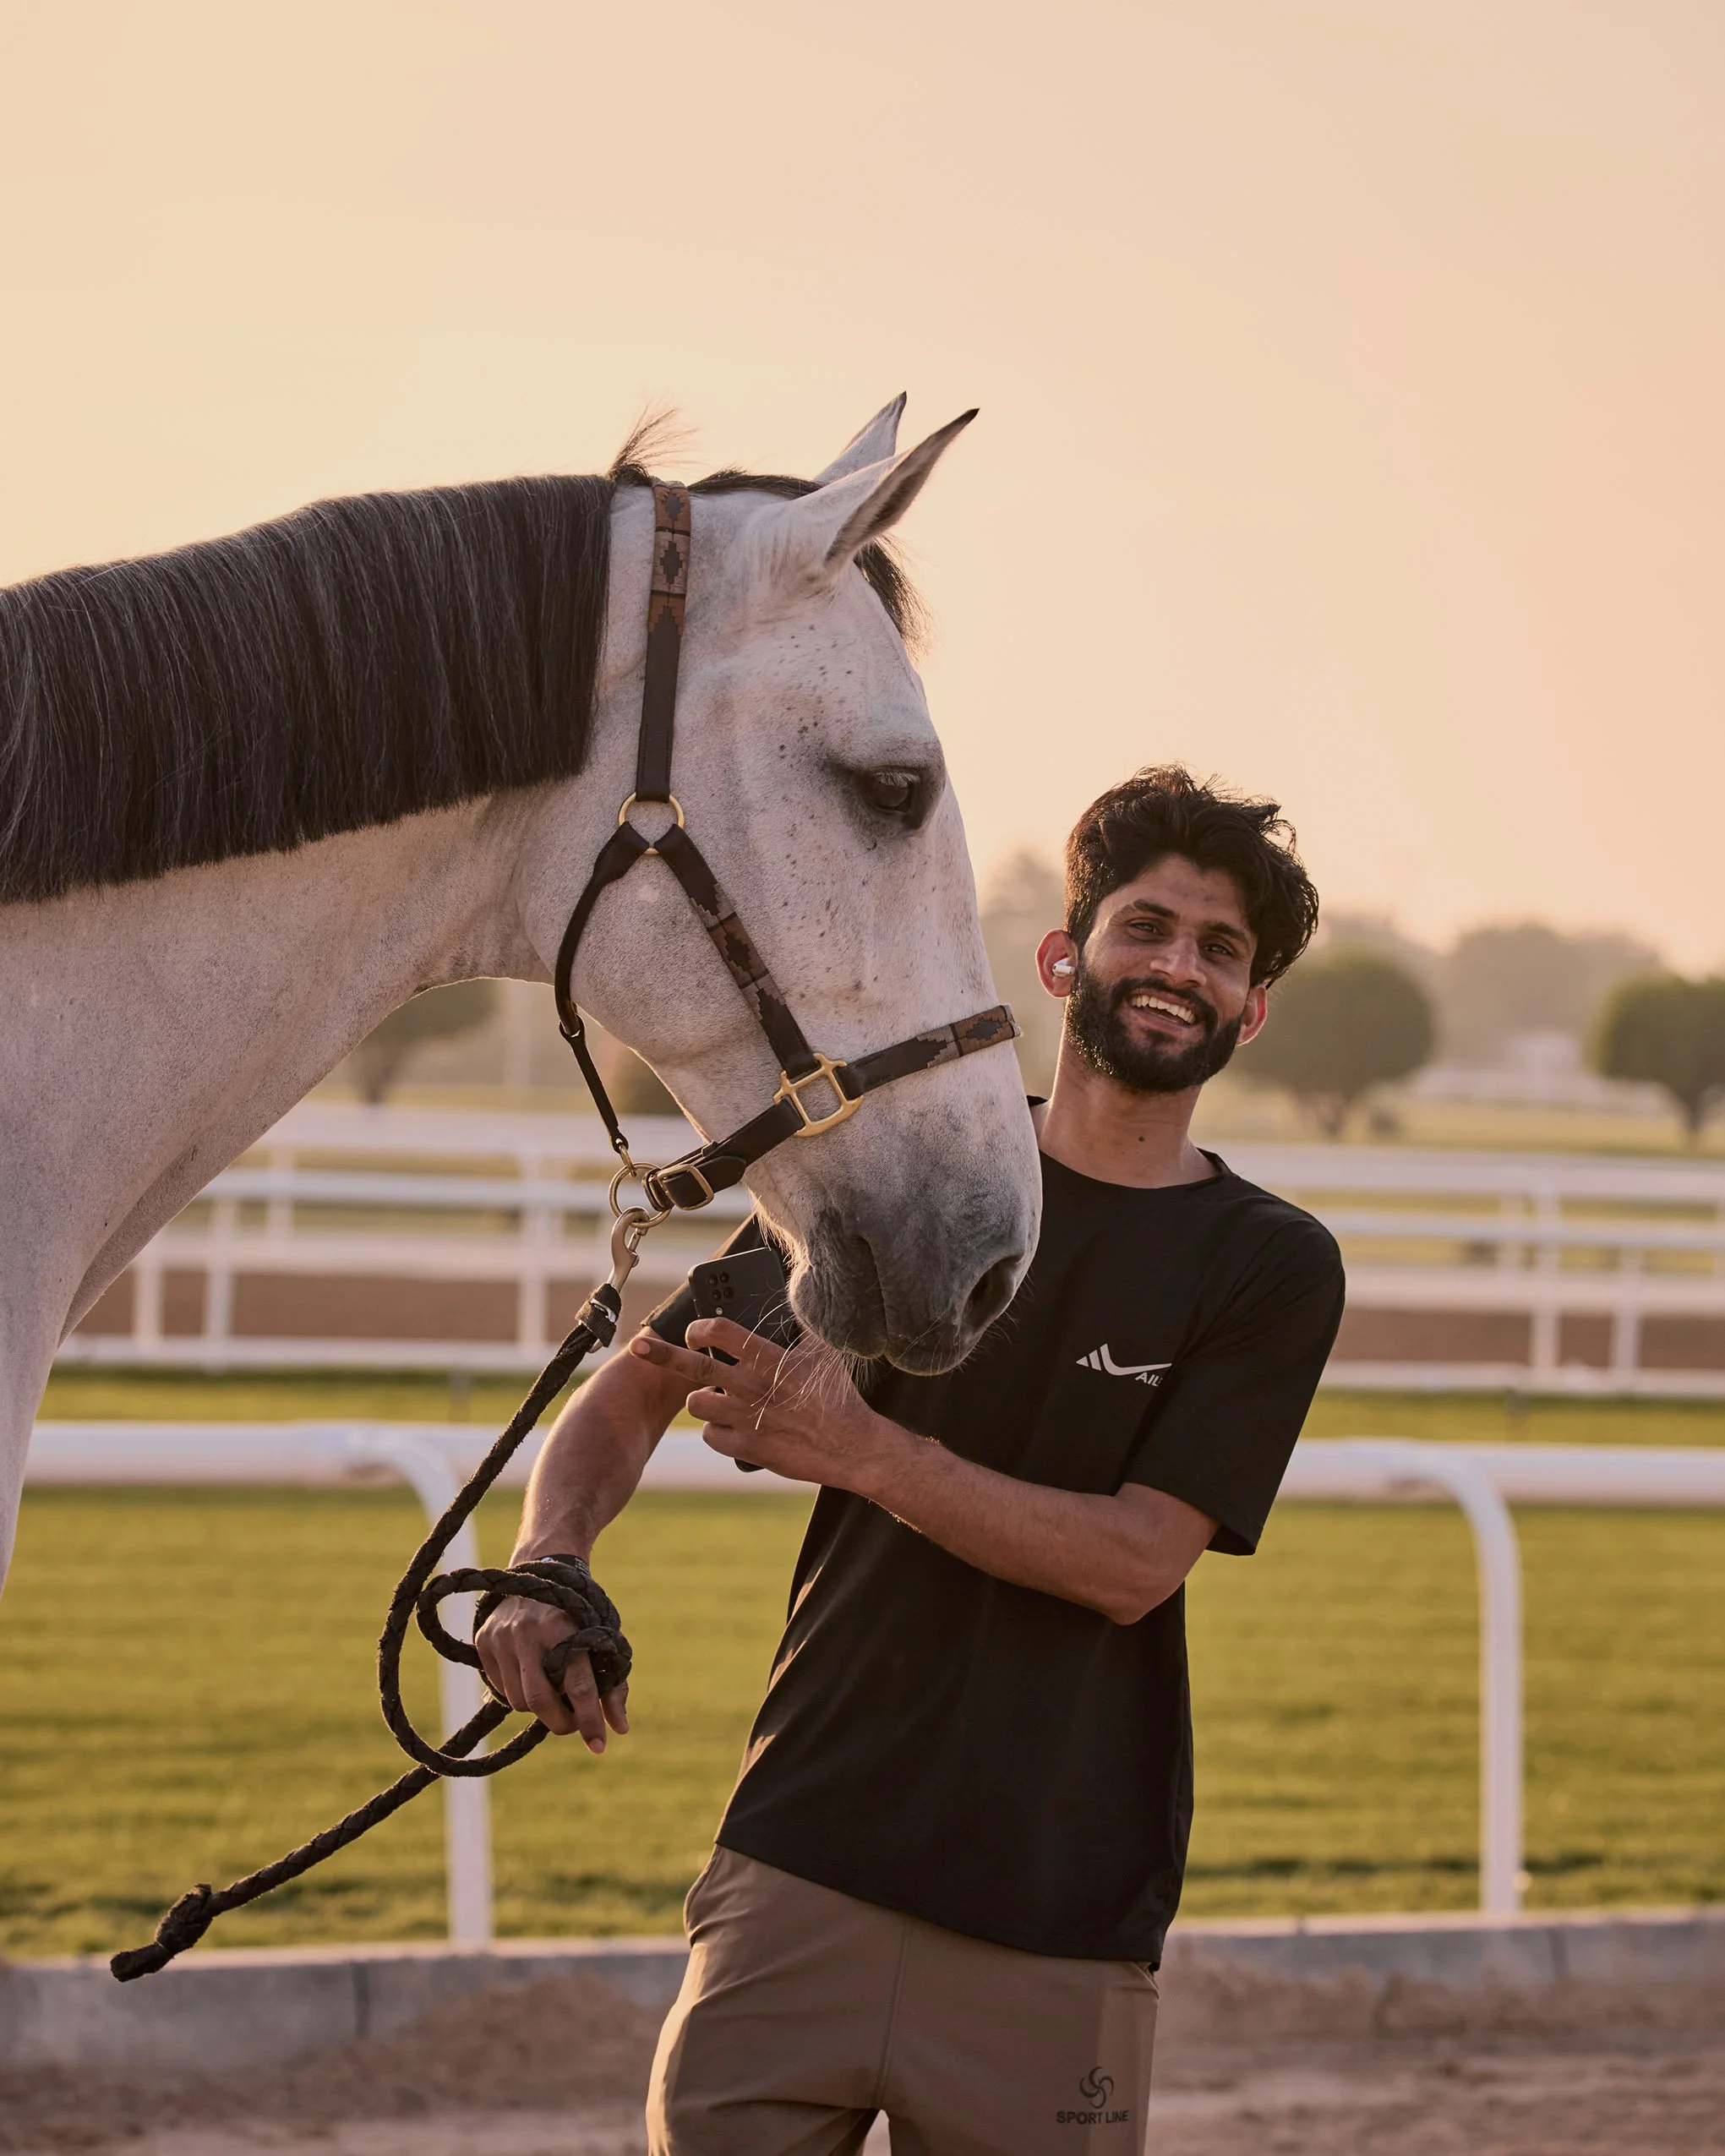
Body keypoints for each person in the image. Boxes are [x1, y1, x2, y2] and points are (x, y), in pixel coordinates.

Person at [478, 764, 1346, 2156]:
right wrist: (546, 1564)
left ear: (1253, 1008)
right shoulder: (899, 1169)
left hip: (1057, 1924)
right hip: (795, 1866)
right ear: (1066, 955)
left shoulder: (1267, 1266)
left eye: (1220, 949)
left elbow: (1135, 1562)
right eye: (1146, 927)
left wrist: (871, 1453)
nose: (1176, 966)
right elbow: (632, 1393)